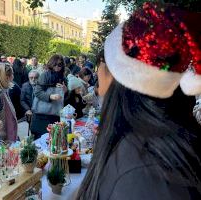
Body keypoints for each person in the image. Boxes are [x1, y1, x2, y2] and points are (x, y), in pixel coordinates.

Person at [77, 3, 201, 199]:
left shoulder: (142, 173)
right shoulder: (144, 155)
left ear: (121, 77)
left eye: (102, 63)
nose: (97, 85)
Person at [31, 54, 67, 139]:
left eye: (60, 64)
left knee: (54, 140)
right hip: (42, 115)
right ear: (51, 64)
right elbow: (37, 92)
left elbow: (65, 98)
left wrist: (65, 91)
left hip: (56, 114)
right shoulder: (45, 75)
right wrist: (50, 96)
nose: (57, 67)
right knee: (41, 140)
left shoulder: (63, 78)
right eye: (55, 64)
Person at [0, 63, 18, 142]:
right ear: (6, 77)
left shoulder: (3, 91)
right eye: (12, 74)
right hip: (2, 141)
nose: (13, 77)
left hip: (6, 137)